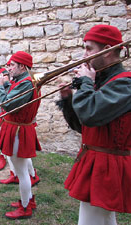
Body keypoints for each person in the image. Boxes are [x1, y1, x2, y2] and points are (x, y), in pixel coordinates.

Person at [58, 24, 131, 225]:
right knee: (104, 219)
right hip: (97, 161)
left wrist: (85, 83)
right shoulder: (101, 80)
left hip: (107, 167)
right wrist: (67, 100)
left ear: (107, 50)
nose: (84, 54)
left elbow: (90, 114)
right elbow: (84, 127)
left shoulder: (125, 83)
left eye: (89, 48)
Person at [0, 51, 42, 219]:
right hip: (16, 128)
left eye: (12, 65)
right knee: (21, 170)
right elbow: (14, 99)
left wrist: (0, 86)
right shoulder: (23, 81)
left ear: (22, 66)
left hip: (18, 130)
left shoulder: (27, 83)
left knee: (22, 173)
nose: (9, 68)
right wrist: (5, 85)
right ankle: (27, 200)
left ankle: (26, 207)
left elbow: (8, 104)